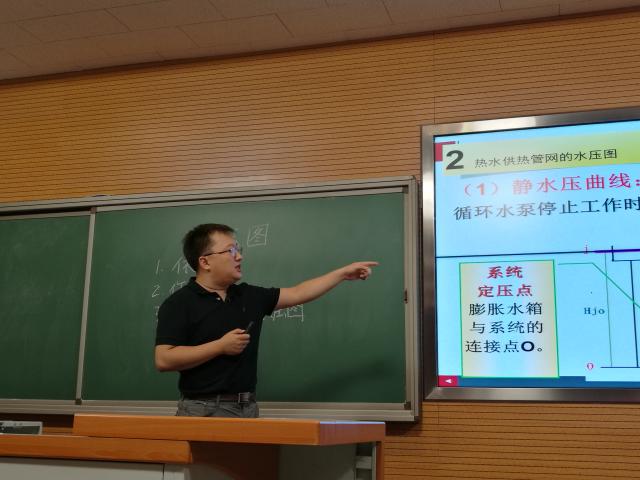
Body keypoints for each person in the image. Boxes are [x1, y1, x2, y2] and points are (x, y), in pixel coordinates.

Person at [155, 223, 378, 418]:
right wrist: (220, 346)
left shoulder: (248, 296)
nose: (239, 257)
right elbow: (164, 359)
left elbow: (298, 293)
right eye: (231, 251)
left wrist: (342, 274)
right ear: (205, 262)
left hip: (248, 407)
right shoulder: (179, 303)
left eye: (239, 250)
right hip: (202, 410)